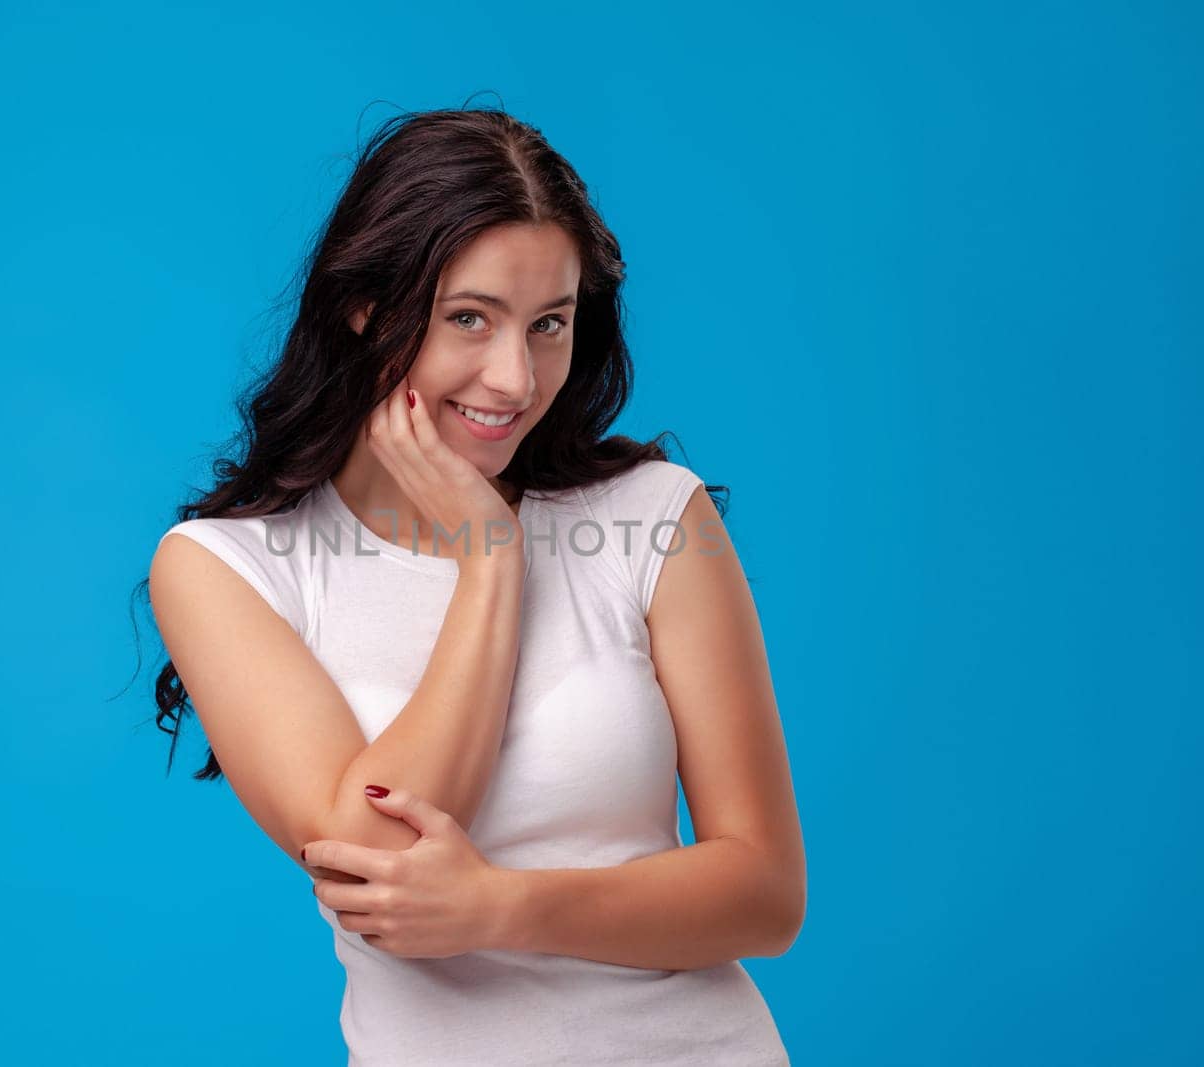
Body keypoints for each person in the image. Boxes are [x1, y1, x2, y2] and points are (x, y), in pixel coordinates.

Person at [144, 105, 804, 1065]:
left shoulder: (655, 515)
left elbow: (765, 892)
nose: (513, 378)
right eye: (469, 318)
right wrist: (490, 565)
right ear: (364, 308)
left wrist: (501, 904)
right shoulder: (230, 568)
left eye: (549, 325)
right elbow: (376, 865)